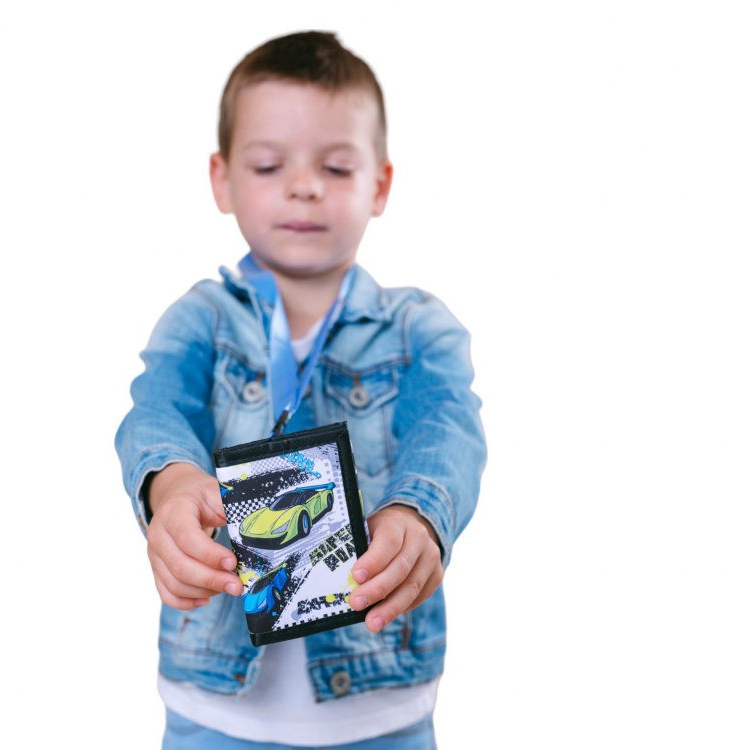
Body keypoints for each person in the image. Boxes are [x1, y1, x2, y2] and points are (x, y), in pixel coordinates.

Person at [115, 31, 486, 750]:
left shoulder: (419, 328)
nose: (304, 185)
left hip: (382, 710)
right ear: (222, 179)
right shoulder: (199, 319)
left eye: (336, 166)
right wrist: (172, 483)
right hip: (213, 712)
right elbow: (155, 410)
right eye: (268, 164)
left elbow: (451, 430)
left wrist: (418, 513)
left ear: (380, 184)